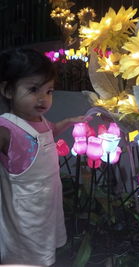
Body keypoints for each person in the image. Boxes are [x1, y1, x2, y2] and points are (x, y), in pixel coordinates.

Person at [0, 47, 89, 266]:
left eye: (49, 91)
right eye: (33, 89)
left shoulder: (40, 121)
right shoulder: (6, 128)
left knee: (43, 243)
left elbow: (49, 133)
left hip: (47, 203)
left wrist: (67, 122)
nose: (43, 98)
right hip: (23, 211)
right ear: (8, 91)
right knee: (24, 252)